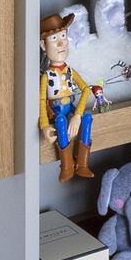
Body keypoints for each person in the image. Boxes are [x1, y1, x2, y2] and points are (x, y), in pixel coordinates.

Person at [39, 12, 95, 181]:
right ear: (43, 45)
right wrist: (44, 126)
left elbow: (86, 89)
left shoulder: (71, 71)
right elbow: (41, 100)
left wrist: (77, 115)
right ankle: (67, 165)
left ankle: (83, 164)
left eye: (63, 36)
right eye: (54, 39)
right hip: (56, 112)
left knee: (87, 117)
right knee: (61, 121)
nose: (61, 42)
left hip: (71, 108)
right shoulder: (47, 76)